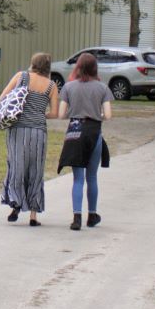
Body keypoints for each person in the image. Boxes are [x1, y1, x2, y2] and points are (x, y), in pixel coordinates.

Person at [55, 51, 113, 231]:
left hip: (74, 132)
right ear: (95, 68)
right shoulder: (102, 88)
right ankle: (92, 214)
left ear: (78, 67)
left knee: (77, 178)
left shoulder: (69, 87)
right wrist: (97, 115)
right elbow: (108, 115)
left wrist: (74, 115)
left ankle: (76, 217)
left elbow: (61, 114)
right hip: (94, 132)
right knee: (92, 177)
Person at [0, 52, 59, 225]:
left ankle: (15, 204)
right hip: (38, 132)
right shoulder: (51, 86)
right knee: (36, 170)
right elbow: (55, 113)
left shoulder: (21, 76)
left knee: (17, 166)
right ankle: (33, 214)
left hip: (18, 129)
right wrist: (40, 114)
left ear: (33, 63)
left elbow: (3, 97)